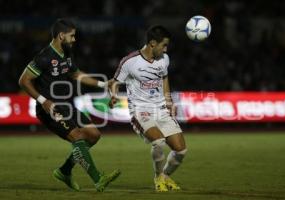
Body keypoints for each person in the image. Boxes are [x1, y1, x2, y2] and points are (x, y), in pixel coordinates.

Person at [18, 18, 120, 192]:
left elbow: (76, 74)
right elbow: (23, 80)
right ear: (61, 36)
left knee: (94, 135)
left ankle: (64, 171)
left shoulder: (66, 53)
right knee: (78, 137)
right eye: (72, 36)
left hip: (67, 105)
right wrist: (43, 101)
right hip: (50, 109)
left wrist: (104, 84)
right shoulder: (44, 57)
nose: (74, 39)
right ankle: (98, 179)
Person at [109, 25, 187, 192]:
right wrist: (114, 95)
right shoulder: (130, 61)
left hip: (161, 108)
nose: (165, 49)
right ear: (152, 43)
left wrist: (168, 100)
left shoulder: (164, 59)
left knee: (181, 151)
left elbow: (164, 77)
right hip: (140, 109)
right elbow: (114, 82)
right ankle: (158, 178)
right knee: (158, 142)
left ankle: (165, 176)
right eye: (163, 45)